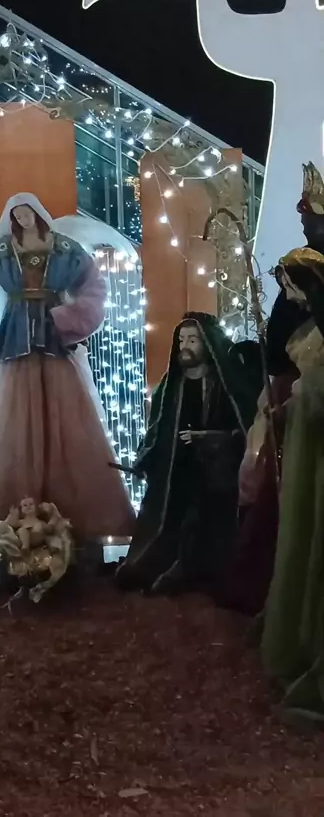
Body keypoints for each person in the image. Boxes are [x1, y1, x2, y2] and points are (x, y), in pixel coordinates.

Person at [0, 193, 135, 557]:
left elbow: (93, 285)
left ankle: (76, 523)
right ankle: (17, 525)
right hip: (16, 337)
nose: (23, 219)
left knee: (67, 419)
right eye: (17, 214)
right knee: (15, 422)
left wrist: (71, 319)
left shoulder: (64, 248)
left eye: (28, 213)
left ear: (38, 214)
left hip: (53, 337)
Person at [220, 162, 324, 615]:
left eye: (312, 220)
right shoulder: (299, 268)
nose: (306, 226)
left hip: (308, 389)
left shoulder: (312, 273)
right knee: (269, 481)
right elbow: (282, 333)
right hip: (288, 385)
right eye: (305, 219)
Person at [116, 312, 257, 596]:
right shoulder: (172, 386)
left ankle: (199, 567)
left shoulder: (227, 383)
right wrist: (146, 457)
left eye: (193, 340)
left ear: (208, 342)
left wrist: (213, 439)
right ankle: (169, 564)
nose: (185, 346)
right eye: (182, 340)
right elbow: (157, 429)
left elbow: (245, 425)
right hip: (179, 470)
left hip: (220, 468)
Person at [260, 248, 324, 721]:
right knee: (303, 531)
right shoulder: (310, 327)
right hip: (307, 438)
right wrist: (285, 409)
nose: (293, 296)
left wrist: (306, 394)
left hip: (318, 444)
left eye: (297, 287)